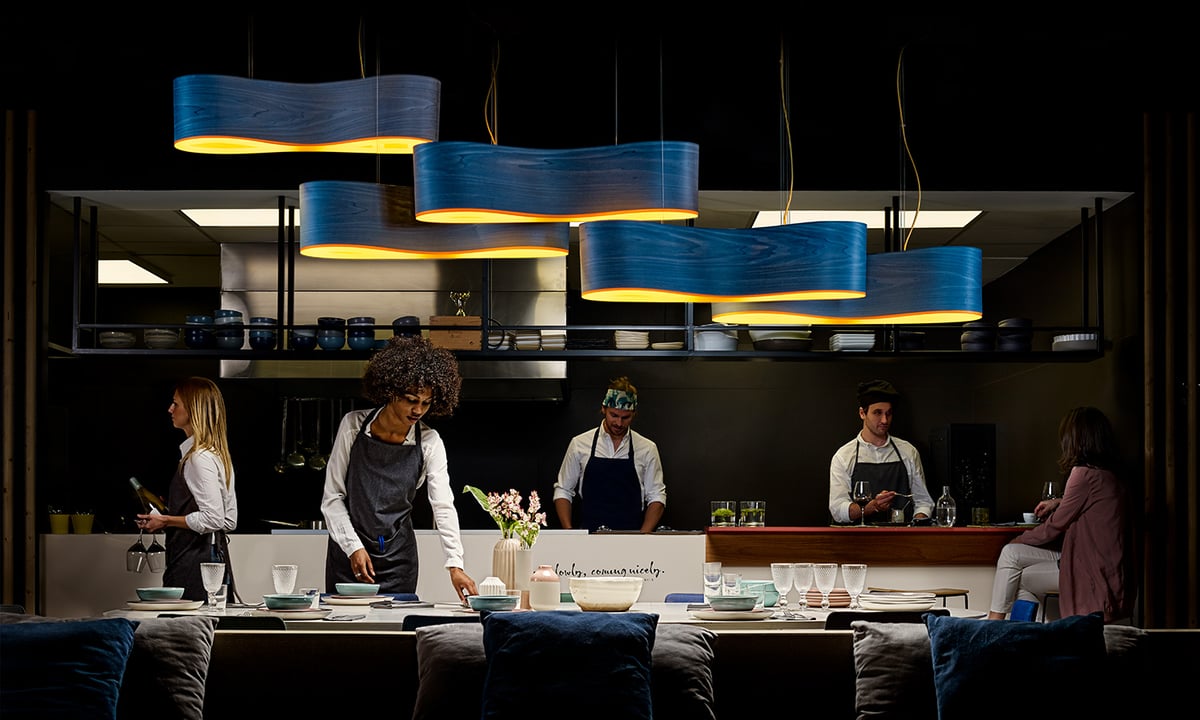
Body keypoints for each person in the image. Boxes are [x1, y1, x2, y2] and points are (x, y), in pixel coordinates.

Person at [321, 336, 477, 602]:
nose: (418, 409)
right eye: (410, 399)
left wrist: (455, 564)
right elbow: (332, 498)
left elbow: (443, 505)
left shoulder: (429, 442)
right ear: (391, 390)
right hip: (350, 556)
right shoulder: (352, 426)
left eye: (426, 403)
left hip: (399, 561)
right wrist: (353, 547)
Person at [986, 406, 1135, 623]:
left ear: (1076, 439)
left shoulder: (1082, 474)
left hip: (1091, 570)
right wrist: (1059, 502)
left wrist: (1020, 538)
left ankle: (997, 626)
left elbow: (1053, 528)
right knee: (1012, 555)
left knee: (1020, 571)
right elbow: (1093, 503)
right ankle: (1010, 627)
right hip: (1106, 568)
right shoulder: (1112, 475)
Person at [137, 377, 239, 602]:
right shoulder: (217, 454)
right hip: (215, 563)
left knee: (182, 633)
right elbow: (229, 521)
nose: (170, 409)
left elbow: (213, 519)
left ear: (193, 410)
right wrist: (175, 511)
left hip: (192, 565)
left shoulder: (197, 459)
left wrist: (167, 520)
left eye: (176, 404)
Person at [554, 376, 666, 532]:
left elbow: (657, 496)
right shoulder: (579, 444)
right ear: (603, 409)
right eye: (614, 415)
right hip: (589, 540)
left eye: (625, 417)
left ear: (633, 414)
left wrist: (643, 537)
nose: (619, 423)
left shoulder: (647, 448)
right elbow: (563, 490)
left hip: (632, 540)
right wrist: (569, 533)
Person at [828, 379, 934, 524]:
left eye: (888, 413)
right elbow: (838, 509)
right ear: (862, 413)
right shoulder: (844, 456)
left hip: (901, 539)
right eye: (877, 413)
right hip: (858, 541)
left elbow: (923, 502)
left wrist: (917, 523)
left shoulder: (908, 452)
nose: (884, 420)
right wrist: (873, 506)